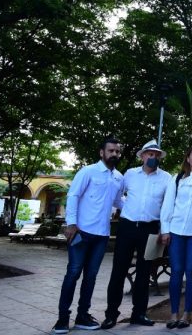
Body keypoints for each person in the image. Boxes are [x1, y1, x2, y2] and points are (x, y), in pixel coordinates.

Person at [52, 137, 124, 334]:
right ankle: (62, 319)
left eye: (117, 151)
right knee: (73, 273)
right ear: (102, 152)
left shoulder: (119, 177)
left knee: (91, 277)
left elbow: (119, 202)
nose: (115, 154)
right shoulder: (88, 171)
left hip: (102, 235)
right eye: (111, 151)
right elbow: (73, 195)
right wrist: (71, 223)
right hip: (81, 232)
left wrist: (141, 210)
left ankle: (83, 315)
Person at [102, 139, 171, 329]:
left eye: (157, 155)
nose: (153, 157)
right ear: (142, 156)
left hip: (150, 229)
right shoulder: (130, 174)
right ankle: (111, 315)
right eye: (150, 154)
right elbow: (118, 196)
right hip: (127, 227)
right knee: (118, 271)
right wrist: (129, 209)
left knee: (144, 272)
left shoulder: (166, 178)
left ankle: (139, 313)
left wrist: (164, 230)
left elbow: (167, 206)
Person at [159, 144, 192, 329]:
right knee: (176, 272)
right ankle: (173, 313)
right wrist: (165, 229)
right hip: (175, 231)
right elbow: (167, 206)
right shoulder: (176, 179)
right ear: (188, 158)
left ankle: (187, 314)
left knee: (191, 271)